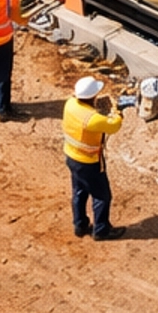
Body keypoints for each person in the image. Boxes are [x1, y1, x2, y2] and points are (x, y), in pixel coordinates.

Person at [63, 74, 124, 240]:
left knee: (79, 192)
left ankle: (80, 225)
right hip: (89, 162)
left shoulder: (70, 104)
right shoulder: (92, 119)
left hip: (71, 157)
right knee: (102, 196)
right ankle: (101, 230)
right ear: (92, 96)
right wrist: (117, 111)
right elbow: (114, 125)